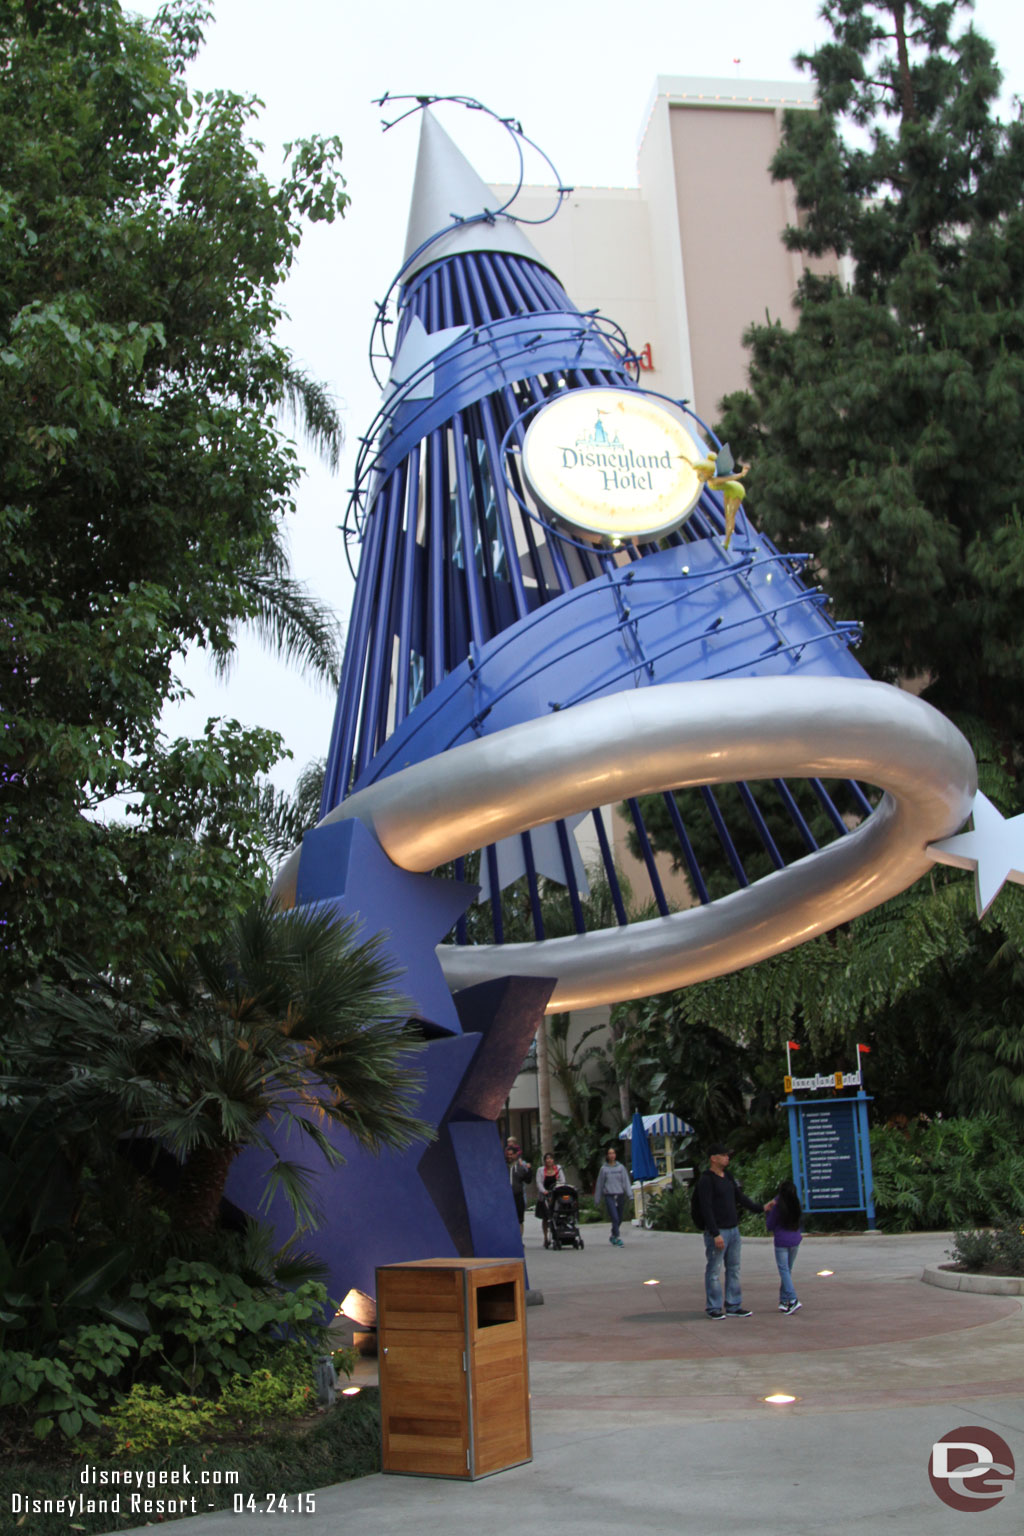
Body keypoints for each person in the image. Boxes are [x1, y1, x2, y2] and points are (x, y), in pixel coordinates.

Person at [695, 1142, 770, 1318]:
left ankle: (734, 1304)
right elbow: (706, 1208)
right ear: (713, 1158)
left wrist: (760, 1208)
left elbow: (740, 1198)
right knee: (714, 1269)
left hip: (733, 1230)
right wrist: (715, 1233)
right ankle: (713, 1307)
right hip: (718, 1231)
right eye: (723, 1155)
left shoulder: (728, 1176)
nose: (727, 1157)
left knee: (734, 1268)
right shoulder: (706, 1180)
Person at [765, 1178, 803, 1314]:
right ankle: (783, 1300)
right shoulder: (796, 1203)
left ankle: (792, 1299)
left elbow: (770, 1225)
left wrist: (768, 1211)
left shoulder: (777, 1204)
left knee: (784, 1270)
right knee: (787, 1270)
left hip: (781, 1241)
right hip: (795, 1240)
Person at [592, 1143, 631, 1246]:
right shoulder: (604, 1169)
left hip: (620, 1194)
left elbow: (625, 1181)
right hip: (609, 1195)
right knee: (614, 1217)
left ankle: (613, 1235)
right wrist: (597, 1199)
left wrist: (630, 1194)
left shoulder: (621, 1168)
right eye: (609, 1153)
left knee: (619, 1218)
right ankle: (618, 1237)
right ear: (607, 1156)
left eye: (613, 1153)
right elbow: (600, 1184)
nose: (612, 1155)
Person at [535, 1152, 566, 1248]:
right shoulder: (540, 1170)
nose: (549, 1160)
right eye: (547, 1159)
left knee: (558, 1214)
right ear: (545, 1161)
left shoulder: (558, 1169)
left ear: (553, 1160)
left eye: (551, 1158)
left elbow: (563, 1181)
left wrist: (558, 1188)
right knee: (545, 1217)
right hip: (545, 1196)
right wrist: (544, 1191)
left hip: (556, 1195)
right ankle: (545, 1238)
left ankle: (559, 1233)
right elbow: (539, 1182)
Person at [504, 1140, 532, 1236]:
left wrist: (529, 1170)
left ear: (516, 1155)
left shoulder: (520, 1167)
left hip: (517, 1196)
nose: (510, 1156)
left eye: (512, 1154)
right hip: (506, 1197)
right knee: (507, 1219)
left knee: (520, 1220)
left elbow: (528, 1180)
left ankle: (520, 1240)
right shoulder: (503, 1167)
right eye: (508, 1154)